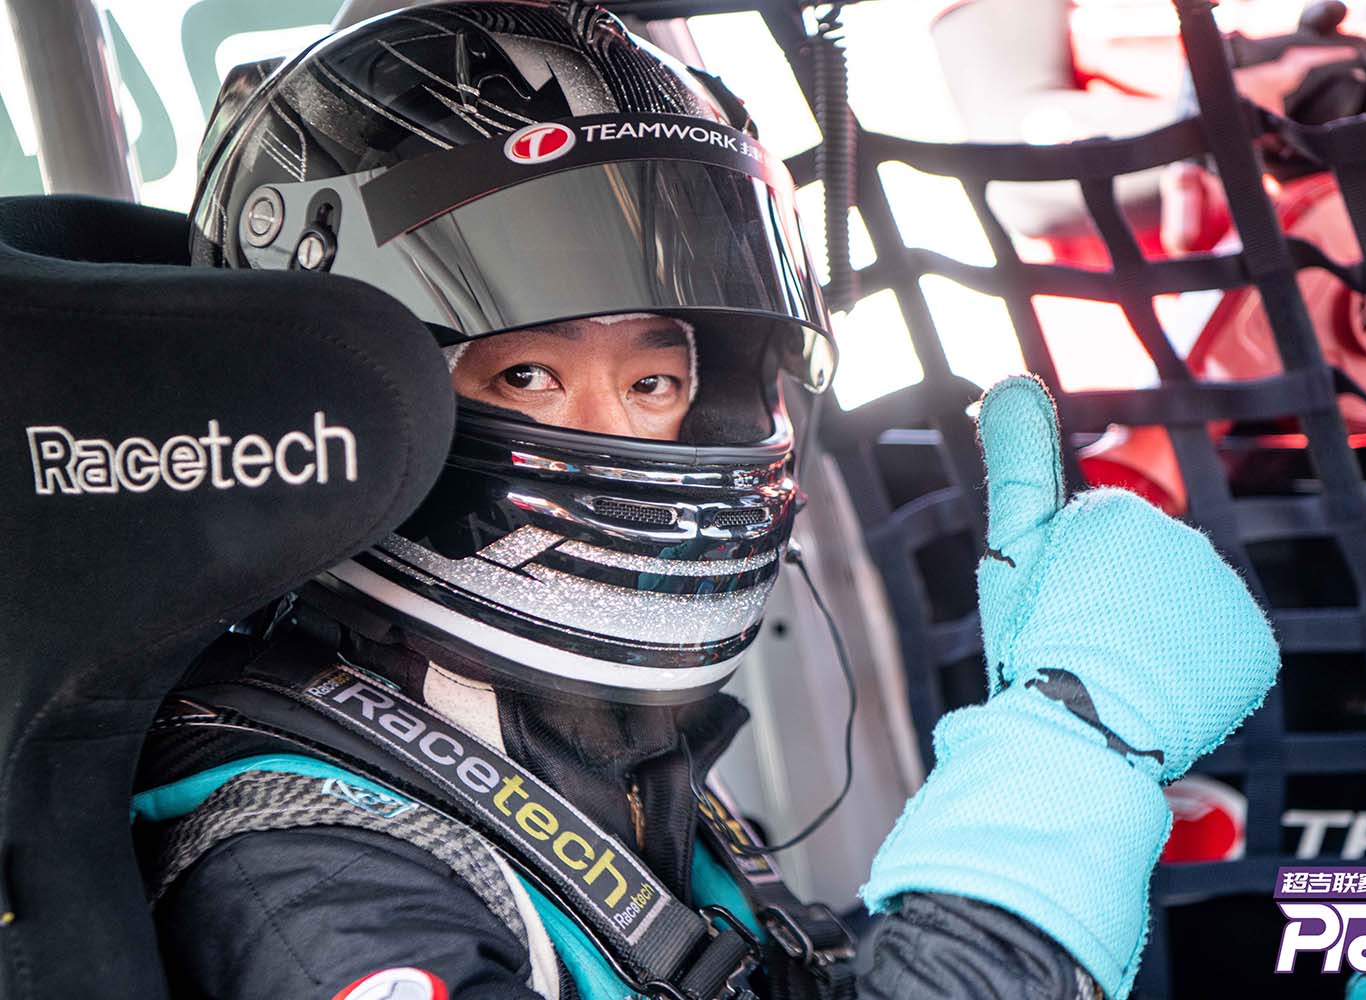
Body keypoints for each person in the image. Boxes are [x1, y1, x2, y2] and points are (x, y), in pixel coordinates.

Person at [131, 4, 1280, 999]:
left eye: (655, 383)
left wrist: (1044, 756)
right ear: (351, 411)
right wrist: (1051, 795)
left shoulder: (581, 742)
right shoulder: (312, 865)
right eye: (527, 375)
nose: (616, 435)